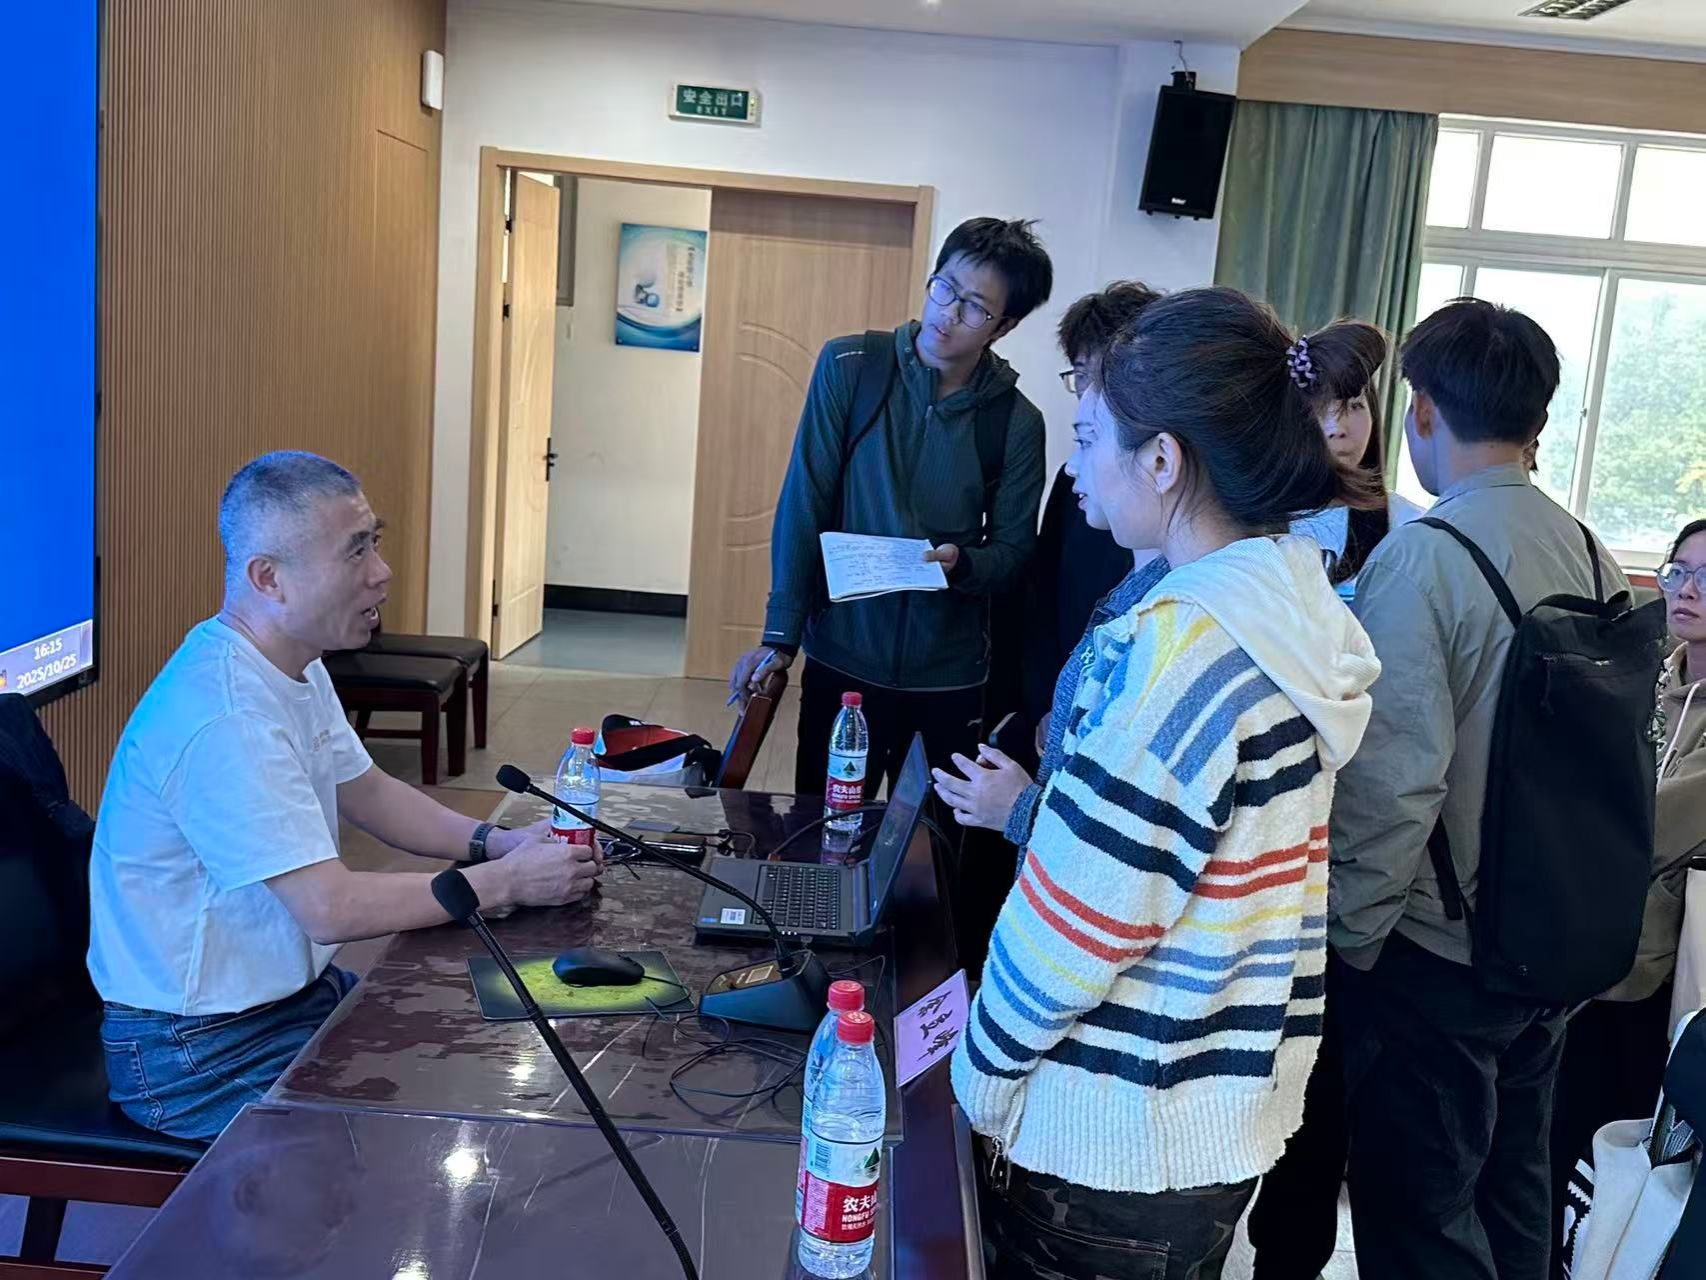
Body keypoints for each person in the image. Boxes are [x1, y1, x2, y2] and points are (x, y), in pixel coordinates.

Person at [951, 287, 1383, 1280]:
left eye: (1088, 437)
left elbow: (1077, 925)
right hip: (1206, 1113)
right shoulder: (1285, 606)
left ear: (1161, 459)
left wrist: (972, 1076)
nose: (1075, 466)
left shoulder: (1181, 654)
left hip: (1111, 1133)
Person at [88, 452, 602, 1140]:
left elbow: (369, 791)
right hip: (197, 1051)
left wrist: (499, 843)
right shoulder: (227, 716)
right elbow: (329, 908)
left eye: (374, 542)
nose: (381, 572)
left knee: (480, 1056)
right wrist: (506, 883)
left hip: (293, 1000)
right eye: (355, 551)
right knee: (423, 1140)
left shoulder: (292, 663)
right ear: (268, 578)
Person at [1329, 299, 1630, 1280]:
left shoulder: (1424, 557)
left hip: (1438, 954)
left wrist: (1348, 942)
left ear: (1420, 411)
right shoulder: (1590, 551)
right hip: (1553, 935)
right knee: (1513, 1187)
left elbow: (1391, 787)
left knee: (1417, 1212)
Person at [726, 217, 1053, 802]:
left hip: (949, 675)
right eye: (944, 288)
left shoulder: (1017, 422)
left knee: (931, 845)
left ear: (1004, 326)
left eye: (975, 308)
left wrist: (963, 565)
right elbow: (805, 501)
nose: (947, 314)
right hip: (843, 656)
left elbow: (1013, 554)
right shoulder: (851, 365)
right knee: (824, 829)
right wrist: (780, 636)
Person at [1246, 338, 1421, 1280]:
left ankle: (1291, 1256)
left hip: (1347, 833)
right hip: (1264, 821)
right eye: (1325, 408)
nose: (1343, 426)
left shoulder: (1403, 532)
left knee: (1320, 1082)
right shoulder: (1256, 520)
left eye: (1357, 407)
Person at [946, 281, 1166, 970]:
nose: (1087, 395)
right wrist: (1039, 706)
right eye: (1081, 377)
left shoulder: (1178, 582)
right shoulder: (1084, 483)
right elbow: (1039, 598)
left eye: (1101, 377)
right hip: (1050, 710)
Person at [1547, 517, 1706, 1275]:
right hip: (1589, 949)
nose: (1688, 590)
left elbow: (1653, 824)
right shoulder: (1645, 675)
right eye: (1680, 571)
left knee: (1625, 1160)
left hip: (1668, 977)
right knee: (1560, 1151)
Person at [1289, 373, 1427, 597]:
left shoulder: (1409, 526)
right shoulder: (1251, 526)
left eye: (1354, 406)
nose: (1337, 428)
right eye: (1318, 407)